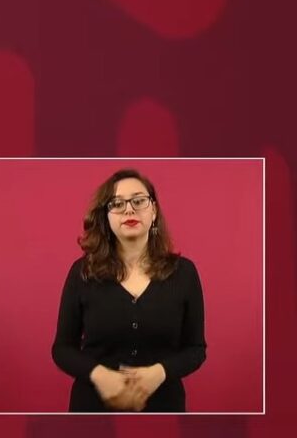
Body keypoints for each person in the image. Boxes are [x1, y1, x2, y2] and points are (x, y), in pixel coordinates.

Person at [51, 168, 207, 412]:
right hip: (92, 409)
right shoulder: (83, 272)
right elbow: (62, 349)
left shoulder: (184, 273)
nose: (129, 210)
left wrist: (160, 372)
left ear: (154, 211)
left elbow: (196, 350)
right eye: (117, 204)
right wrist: (100, 375)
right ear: (106, 217)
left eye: (138, 201)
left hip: (164, 409)